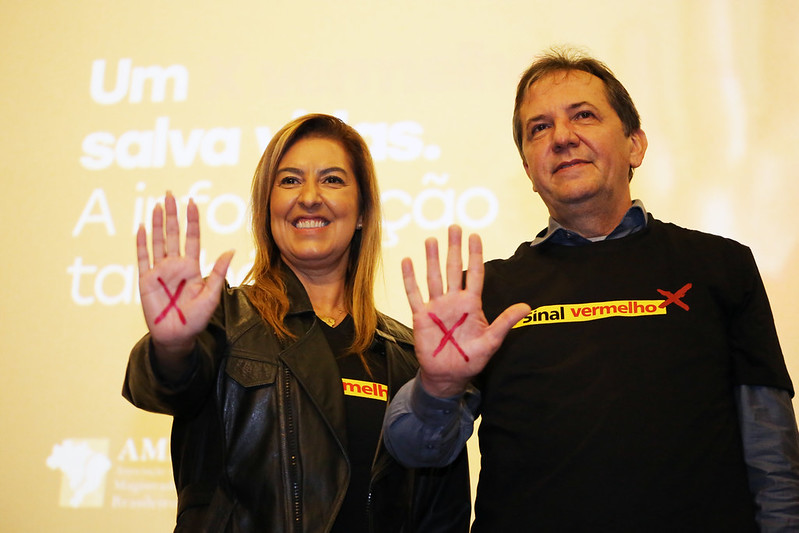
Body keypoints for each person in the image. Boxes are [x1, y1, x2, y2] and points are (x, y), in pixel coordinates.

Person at [383, 48, 799, 531]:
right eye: (539, 128)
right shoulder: (483, 295)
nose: (562, 137)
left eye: (583, 115)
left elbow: (774, 461)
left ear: (635, 145)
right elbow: (418, 452)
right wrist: (438, 388)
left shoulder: (720, 266)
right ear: (528, 169)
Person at [122, 113, 470, 532]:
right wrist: (173, 347)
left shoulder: (412, 353)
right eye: (289, 181)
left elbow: (441, 516)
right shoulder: (224, 320)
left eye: (332, 180)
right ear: (267, 209)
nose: (309, 197)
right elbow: (160, 386)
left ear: (362, 212)